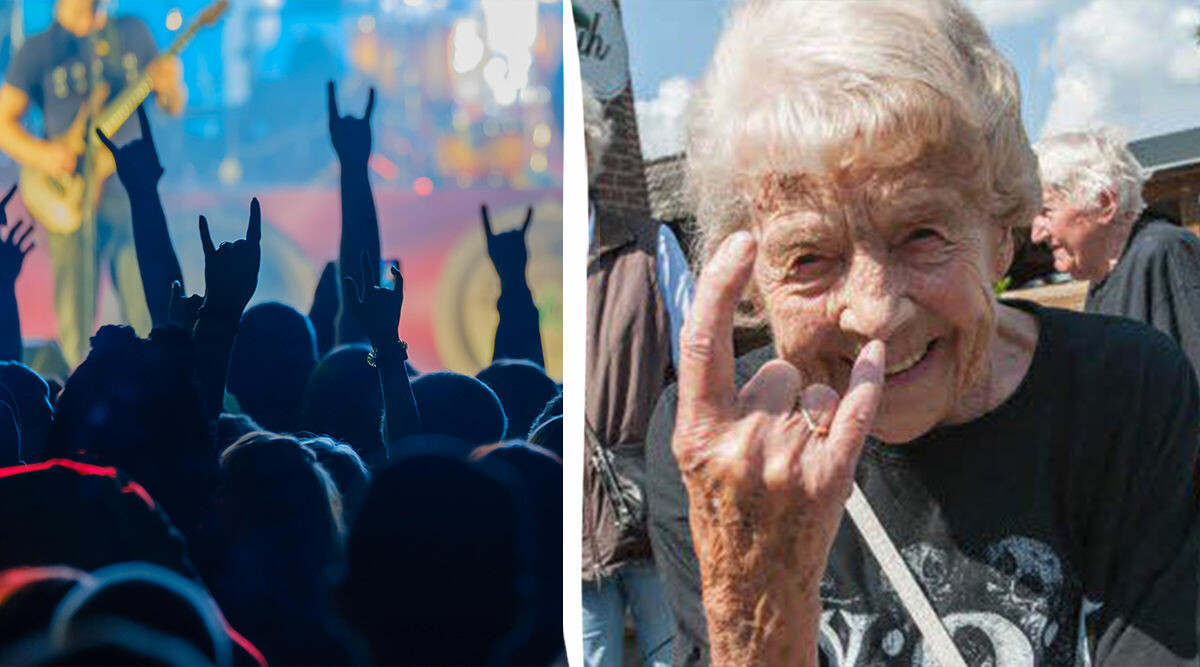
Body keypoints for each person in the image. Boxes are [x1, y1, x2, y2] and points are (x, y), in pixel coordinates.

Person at [644, 1, 1200, 665]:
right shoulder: (722, 448)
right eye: (809, 257)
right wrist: (756, 617)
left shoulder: (1126, 392)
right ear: (756, 282)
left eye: (922, 234)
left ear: (1001, 234)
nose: (876, 313)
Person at [0, 0, 186, 365]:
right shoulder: (40, 48)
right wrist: (45, 155)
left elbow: (172, 104)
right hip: (70, 196)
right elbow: (4, 123)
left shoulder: (132, 32)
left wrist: (172, 86)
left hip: (131, 194)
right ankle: (78, 397)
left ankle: (150, 391)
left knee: (147, 308)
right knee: (76, 318)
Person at [582, 82, 682, 667]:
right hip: (567, 524)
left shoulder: (650, 249)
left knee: (676, 653)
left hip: (650, 509)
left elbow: (701, 368)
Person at [1032, 128, 1200, 380]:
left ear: (1104, 204)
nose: (1036, 235)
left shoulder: (1163, 251)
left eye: (1046, 211)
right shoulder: (1102, 281)